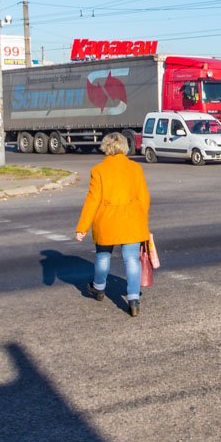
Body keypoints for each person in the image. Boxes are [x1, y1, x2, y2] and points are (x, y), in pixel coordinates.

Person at [75, 132, 151, 317]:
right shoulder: (135, 168)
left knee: (103, 256)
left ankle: (99, 288)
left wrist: (82, 227)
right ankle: (133, 300)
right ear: (124, 146)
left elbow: (93, 200)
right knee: (131, 259)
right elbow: (144, 197)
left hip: (107, 219)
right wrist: (141, 219)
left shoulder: (99, 170)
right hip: (132, 219)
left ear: (106, 147)